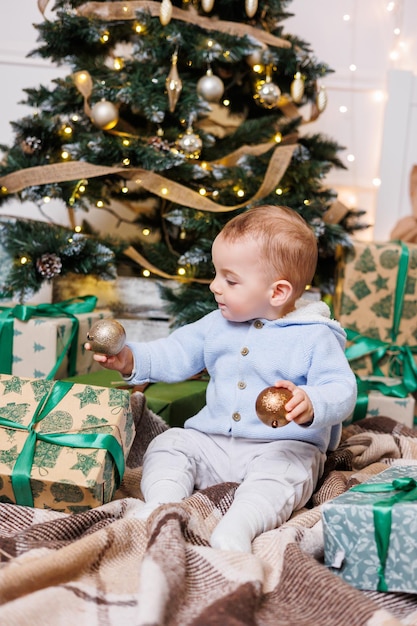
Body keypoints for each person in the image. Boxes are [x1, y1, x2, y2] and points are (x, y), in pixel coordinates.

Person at [86, 205, 357, 553]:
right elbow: (175, 352)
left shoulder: (314, 337)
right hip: (212, 441)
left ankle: (241, 524)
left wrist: (312, 402)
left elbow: (342, 389)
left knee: (286, 473)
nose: (215, 286)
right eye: (216, 274)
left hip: (280, 445)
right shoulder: (216, 324)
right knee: (170, 444)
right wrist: (130, 359)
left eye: (230, 280)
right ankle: (162, 503)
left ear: (277, 293)